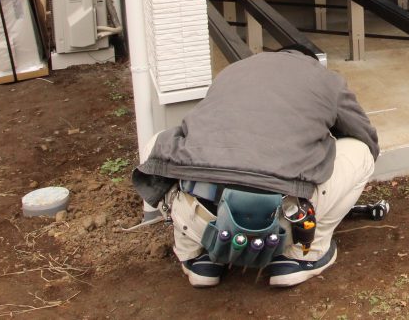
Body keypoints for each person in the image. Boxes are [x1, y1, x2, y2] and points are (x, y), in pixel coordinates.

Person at [132, 47, 380, 288]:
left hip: (198, 217)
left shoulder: (233, 71)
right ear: (311, 61)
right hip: (281, 223)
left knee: (157, 145)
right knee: (361, 151)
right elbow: (365, 136)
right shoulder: (326, 79)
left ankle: (196, 256)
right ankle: (301, 256)